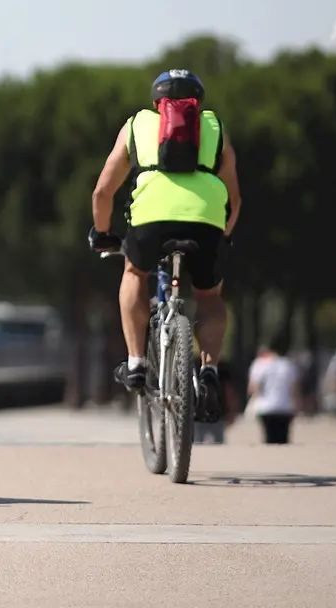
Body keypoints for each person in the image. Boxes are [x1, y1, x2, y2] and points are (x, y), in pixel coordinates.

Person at [87, 69, 241, 423]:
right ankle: (209, 370)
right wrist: (225, 233)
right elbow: (235, 197)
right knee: (210, 298)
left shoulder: (137, 125)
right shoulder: (216, 128)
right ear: (198, 101)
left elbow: (102, 191)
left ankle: (137, 362)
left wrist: (101, 231)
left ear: (157, 102)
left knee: (133, 272)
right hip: (207, 222)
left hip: (150, 220)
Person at [247, 338, 302, 444]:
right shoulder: (288, 365)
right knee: (283, 439)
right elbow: (294, 389)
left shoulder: (259, 364)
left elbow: (253, 388)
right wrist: (298, 405)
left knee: (269, 439)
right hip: (285, 407)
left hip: (265, 407)